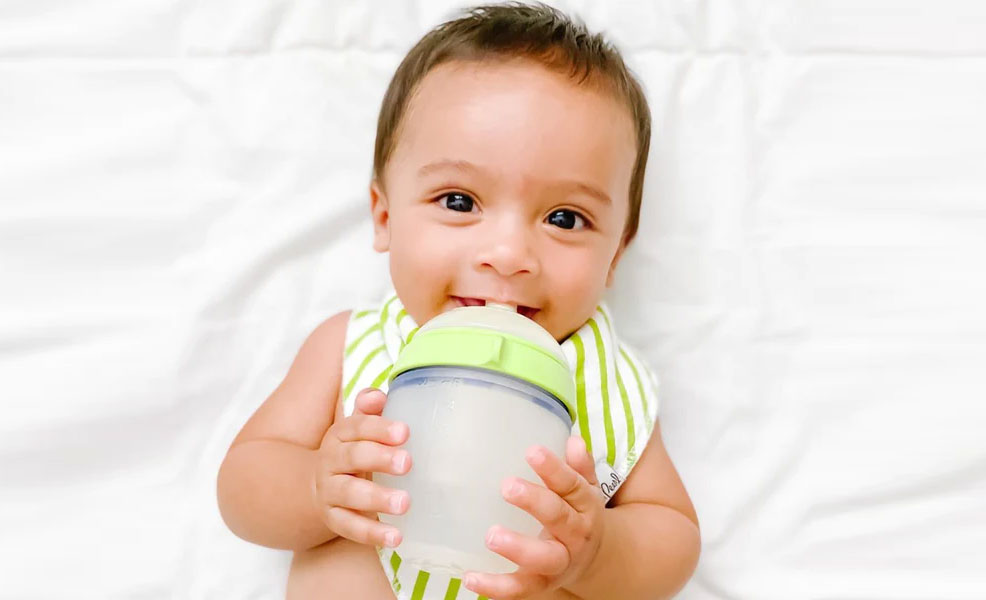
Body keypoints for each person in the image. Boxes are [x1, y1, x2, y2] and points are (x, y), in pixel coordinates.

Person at [217, 3, 700, 598]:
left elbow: (673, 533)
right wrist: (316, 488)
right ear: (385, 215)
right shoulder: (352, 345)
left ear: (616, 255)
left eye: (565, 217)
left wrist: (595, 553)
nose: (507, 253)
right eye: (459, 201)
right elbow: (242, 485)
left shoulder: (604, 378)